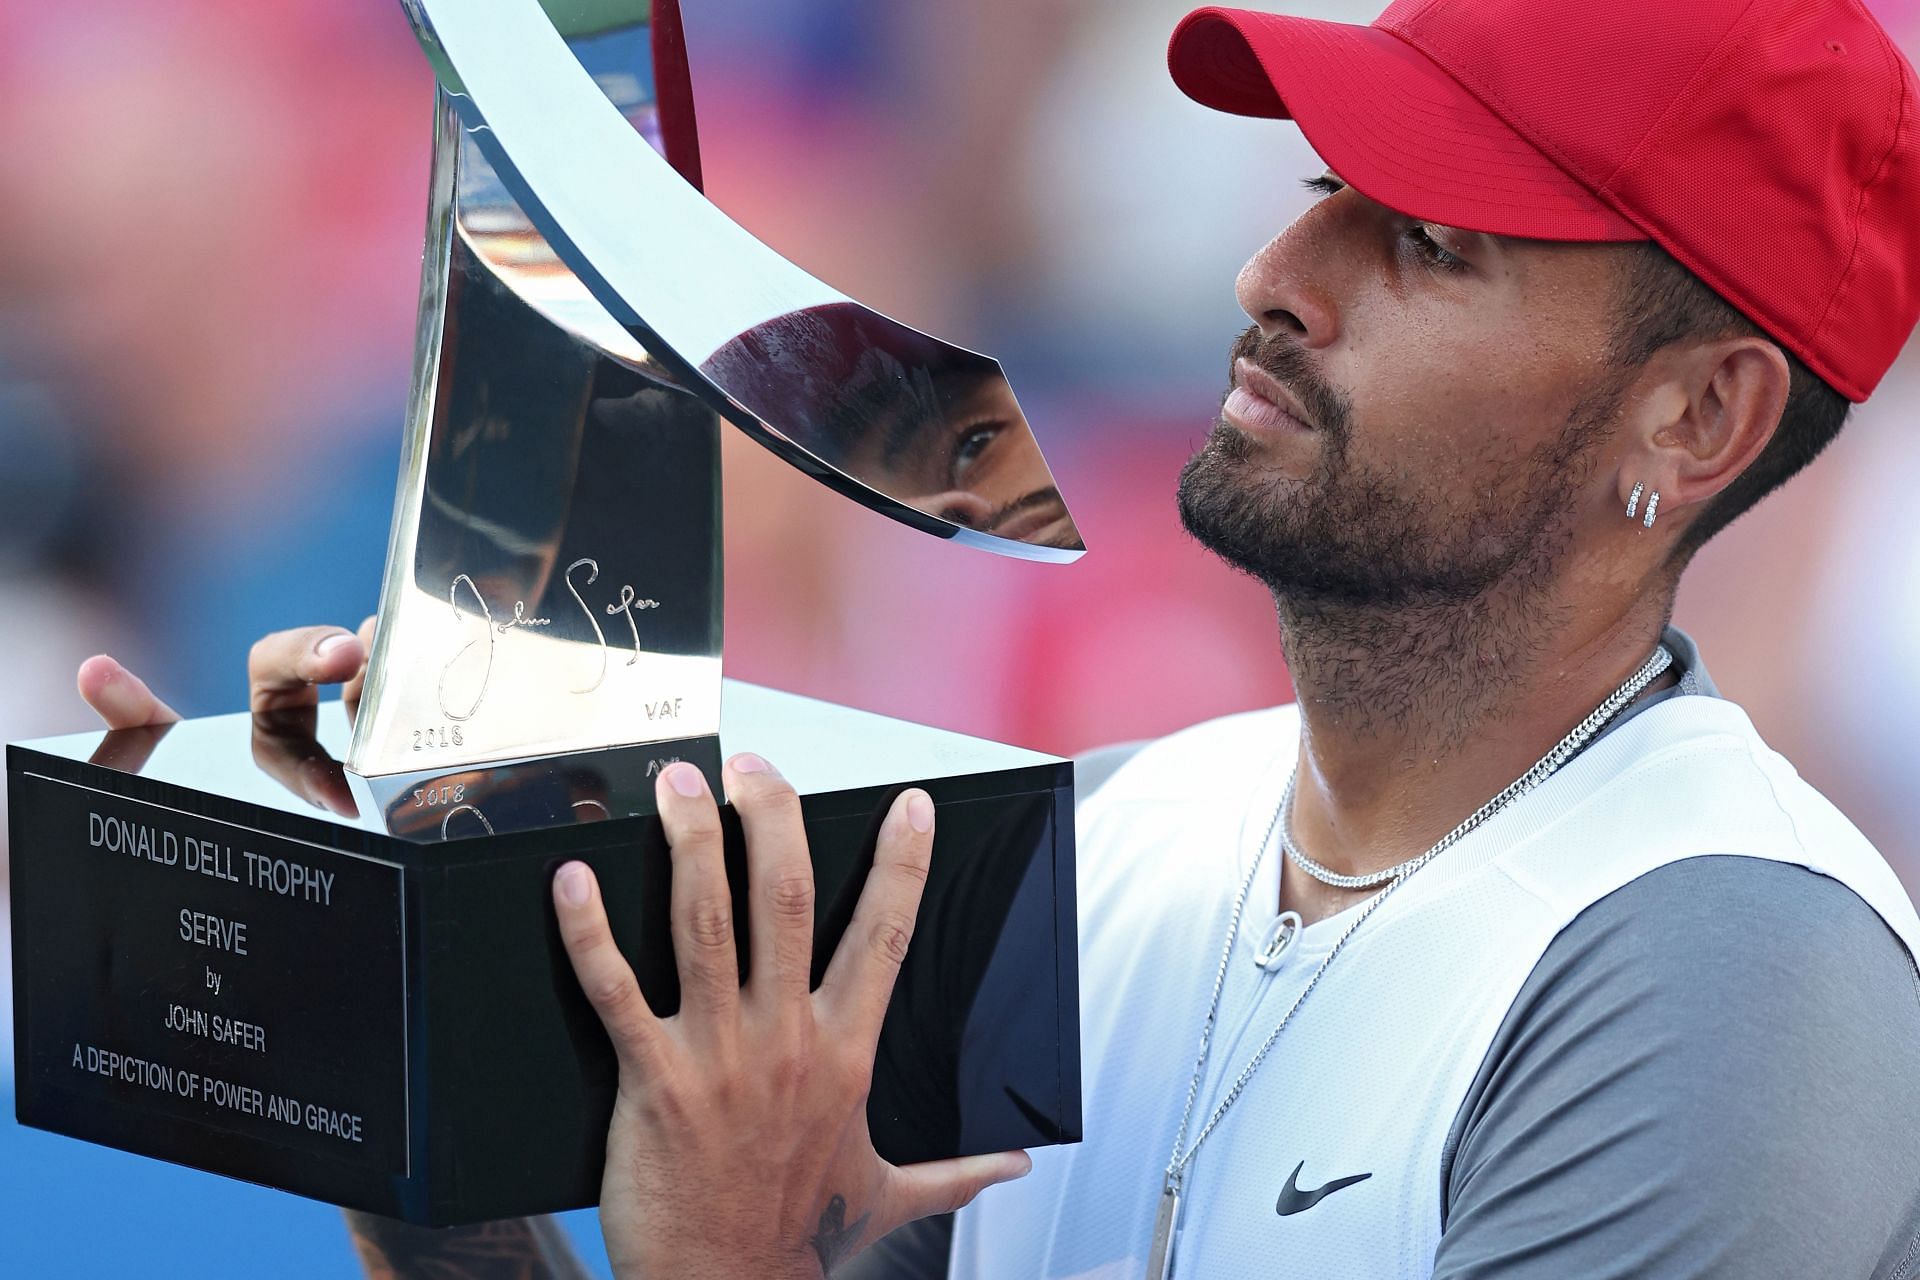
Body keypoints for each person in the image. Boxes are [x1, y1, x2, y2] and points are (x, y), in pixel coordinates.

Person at [74, 0, 1920, 1275]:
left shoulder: (1729, 967)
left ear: (1700, 420)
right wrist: (406, 1116)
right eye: (1316, 198)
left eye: (1431, 244)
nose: (1281, 281)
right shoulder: (1119, 837)